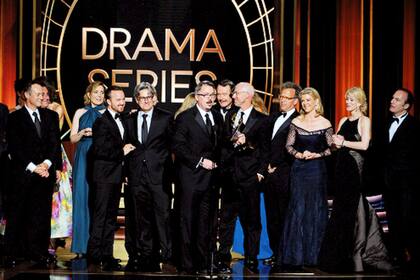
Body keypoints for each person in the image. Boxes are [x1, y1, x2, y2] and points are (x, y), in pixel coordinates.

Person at [318, 87, 392, 273]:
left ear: (360, 102)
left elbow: (365, 145)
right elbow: (338, 145)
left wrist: (343, 142)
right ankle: (339, 257)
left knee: (355, 209)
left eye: (351, 100)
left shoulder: (364, 120)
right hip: (341, 168)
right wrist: (334, 143)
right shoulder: (343, 120)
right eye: (347, 99)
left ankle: (358, 254)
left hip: (354, 170)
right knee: (340, 211)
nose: (347, 103)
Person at [5, 79, 61, 267]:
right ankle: (11, 253)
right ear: (27, 95)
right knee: (18, 214)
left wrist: (45, 165)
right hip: (23, 174)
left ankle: (40, 252)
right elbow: (15, 147)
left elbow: (55, 145)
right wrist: (33, 167)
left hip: (45, 174)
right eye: (38, 94)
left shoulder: (51, 116)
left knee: (42, 215)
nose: (42, 97)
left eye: (43, 94)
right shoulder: (14, 118)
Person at [277, 87, 333, 271]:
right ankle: (294, 256)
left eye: (309, 100)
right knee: (298, 209)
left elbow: (333, 148)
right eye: (304, 100)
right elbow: (288, 146)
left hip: (317, 170)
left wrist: (317, 154)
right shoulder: (296, 121)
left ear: (316, 101)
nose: (306, 103)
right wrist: (300, 155)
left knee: (315, 210)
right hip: (299, 170)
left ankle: (314, 256)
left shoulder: (325, 123)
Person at [172, 80, 223, 274]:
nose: (210, 99)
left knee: (206, 223)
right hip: (190, 178)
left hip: (211, 180)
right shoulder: (185, 118)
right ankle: (186, 264)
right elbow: (178, 146)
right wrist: (200, 161)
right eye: (206, 95)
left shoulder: (217, 117)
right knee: (187, 221)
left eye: (213, 95)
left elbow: (220, 145)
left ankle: (203, 263)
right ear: (197, 97)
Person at [221, 82, 269, 274]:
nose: (233, 97)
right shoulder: (230, 116)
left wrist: (260, 173)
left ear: (248, 95)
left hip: (250, 177)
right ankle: (223, 256)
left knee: (252, 221)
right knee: (226, 219)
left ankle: (251, 258)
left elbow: (265, 150)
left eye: (236, 94)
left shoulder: (262, 120)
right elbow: (224, 144)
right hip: (229, 177)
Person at [124, 82, 173, 272]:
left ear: (154, 98)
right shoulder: (129, 119)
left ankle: (167, 254)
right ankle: (147, 254)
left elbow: (172, 145)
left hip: (159, 175)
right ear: (136, 100)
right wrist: (127, 174)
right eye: (141, 98)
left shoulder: (166, 118)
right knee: (141, 218)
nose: (145, 100)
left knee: (163, 216)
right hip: (136, 176)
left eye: (148, 97)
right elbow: (128, 149)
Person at [87, 85, 135, 270]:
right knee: (100, 217)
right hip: (103, 176)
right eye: (118, 99)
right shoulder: (101, 122)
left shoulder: (122, 119)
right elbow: (99, 150)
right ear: (108, 101)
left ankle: (106, 255)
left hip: (115, 176)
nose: (122, 102)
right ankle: (94, 256)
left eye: (123, 99)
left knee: (110, 218)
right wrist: (121, 151)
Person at [382, 88, 420, 272]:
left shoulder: (414, 127)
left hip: (407, 184)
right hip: (388, 182)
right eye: (392, 97)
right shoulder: (385, 123)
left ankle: (411, 258)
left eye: (397, 99)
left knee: (408, 220)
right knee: (393, 220)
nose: (392, 101)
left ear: (406, 106)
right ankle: (397, 257)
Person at [264, 82, 301, 271]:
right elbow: (266, 144)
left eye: (287, 98)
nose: (282, 100)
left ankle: (285, 254)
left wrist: (276, 165)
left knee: (284, 214)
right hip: (269, 174)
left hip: (285, 173)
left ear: (295, 101)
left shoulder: (298, 120)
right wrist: (266, 166)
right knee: (272, 216)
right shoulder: (273, 117)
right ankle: (275, 252)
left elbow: (293, 147)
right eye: (281, 97)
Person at [70, 81, 106, 258]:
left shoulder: (107, 112)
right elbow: (72, 138)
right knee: (81, 198)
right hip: (83, 156)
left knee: (98, 199)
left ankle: (97, 245)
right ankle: (81, 247)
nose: (99, 95)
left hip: (100, 156)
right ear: (89, 94)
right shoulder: (80, 112)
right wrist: (83, 133)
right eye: (96, 92)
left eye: (101, 92)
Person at [37, 77, 73, 249]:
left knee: (57, 197)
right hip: (36, 156)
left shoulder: (55, 109)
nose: (42, 96)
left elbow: (53, 134)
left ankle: (53, 238)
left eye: (44, 92)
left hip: (53, 153)